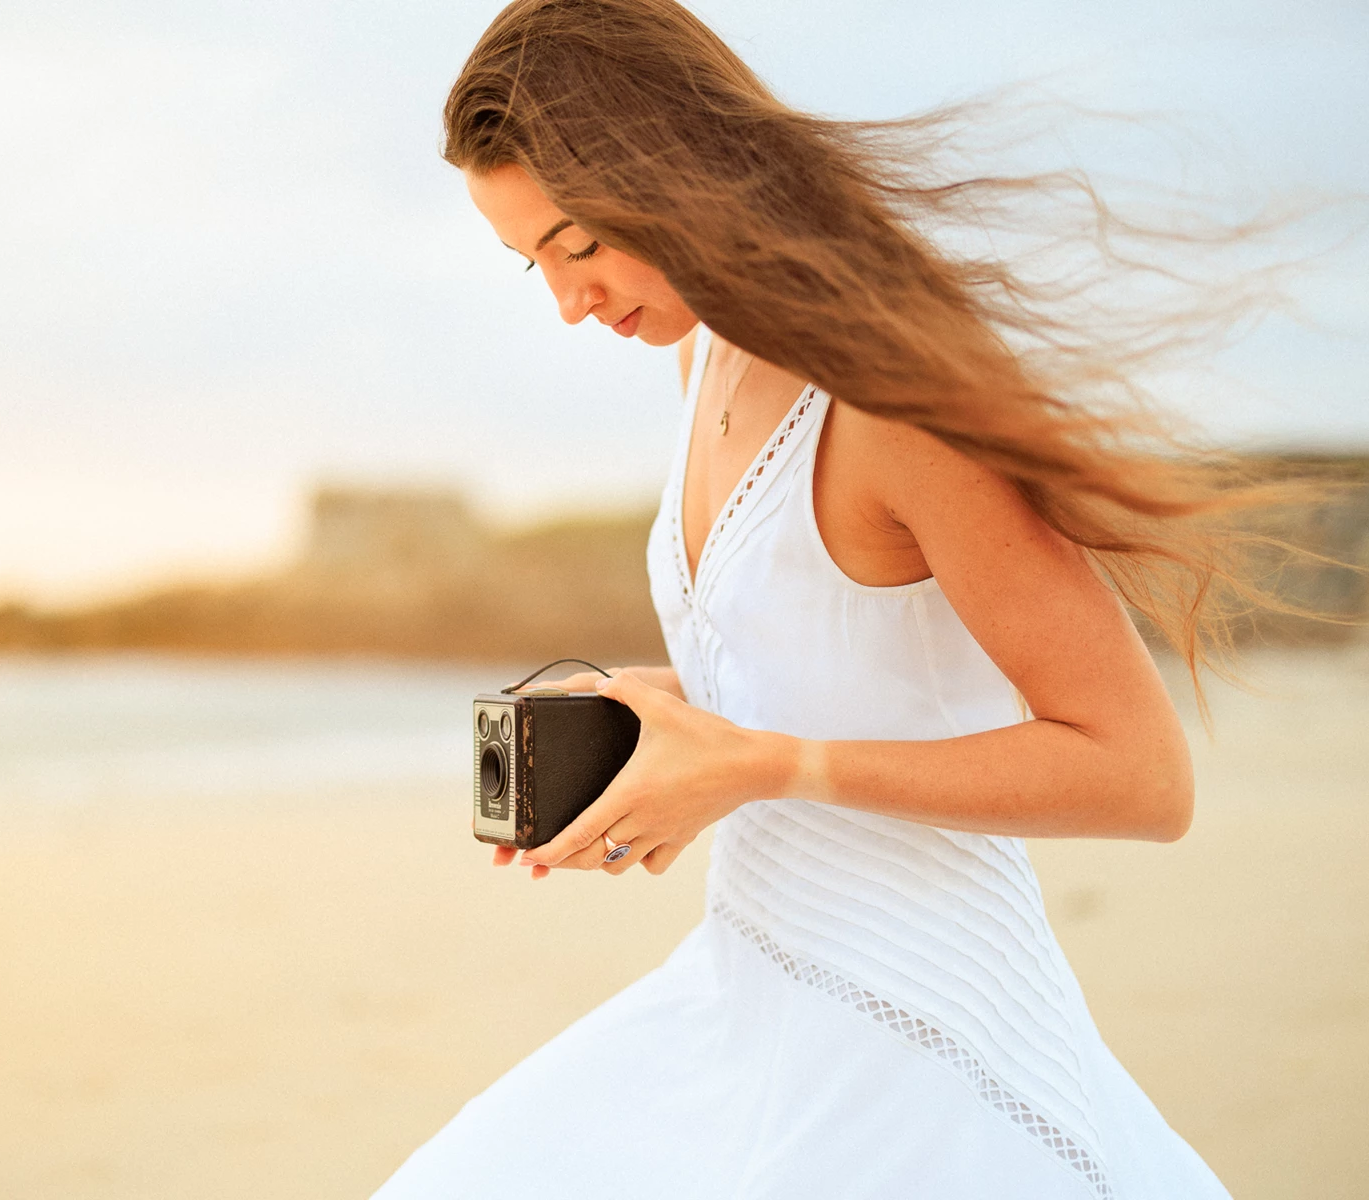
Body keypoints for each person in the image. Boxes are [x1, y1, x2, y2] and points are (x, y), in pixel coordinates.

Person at [372, 1, 1301, 1196]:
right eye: (533, 265)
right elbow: (827, 659)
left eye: (580, 244)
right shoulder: (702, 352)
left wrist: (763, 765)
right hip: (747, 992)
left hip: (925, 1040)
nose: (568, 300)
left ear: (671, 165)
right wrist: (674, 720)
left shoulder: (893, 399)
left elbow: (1142, 777)